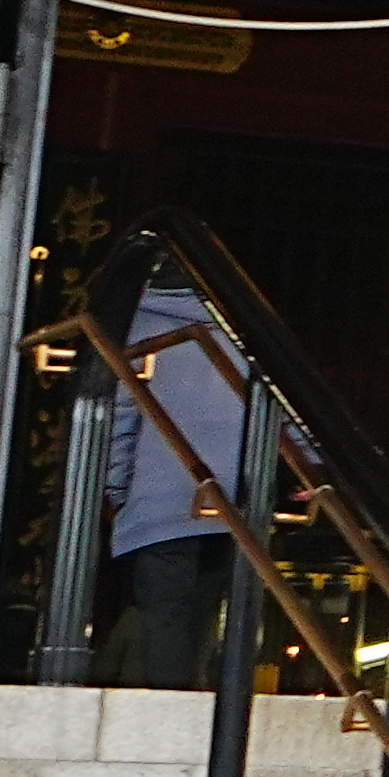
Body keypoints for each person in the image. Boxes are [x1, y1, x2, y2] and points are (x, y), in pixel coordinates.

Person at [94, 264, 259, 689]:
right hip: (230, 496)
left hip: (160, 494)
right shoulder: (243, 330)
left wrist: (116, 488)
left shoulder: (138, 326)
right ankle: (201, 704)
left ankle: (170, 705)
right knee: (207, 608)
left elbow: (122, 416)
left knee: (164, 610)